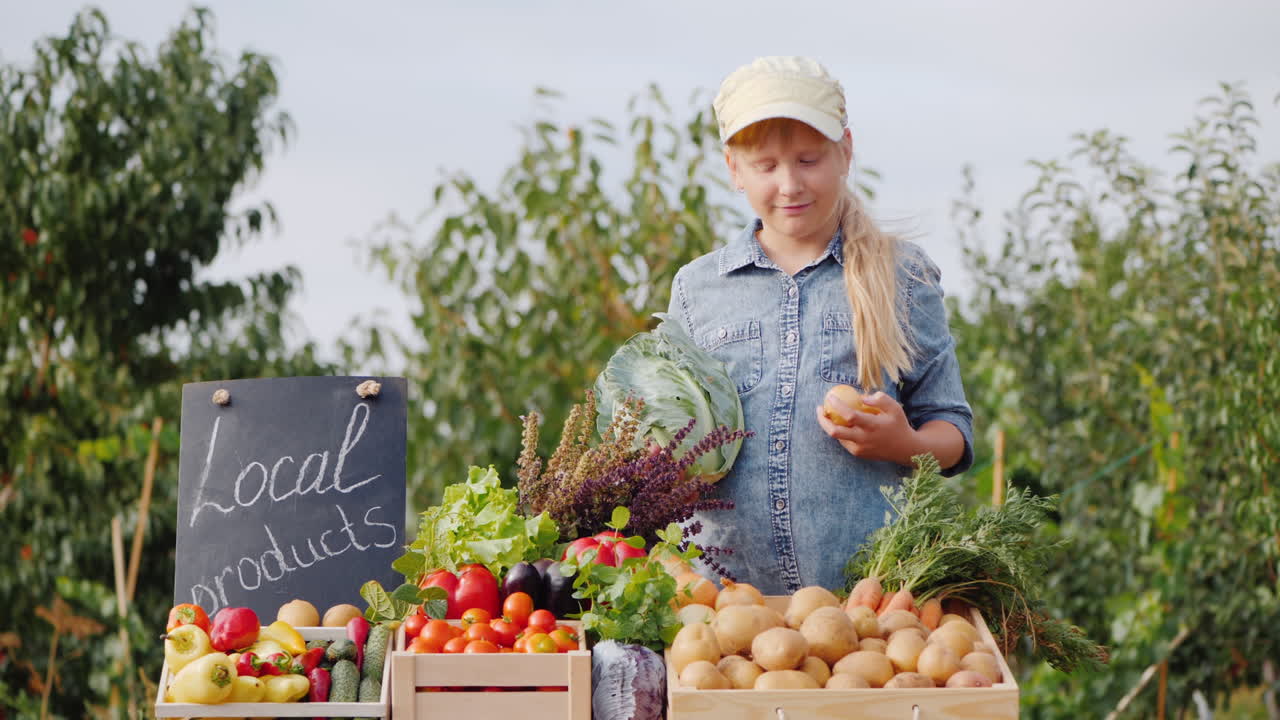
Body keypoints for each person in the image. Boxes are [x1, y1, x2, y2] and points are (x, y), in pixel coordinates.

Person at [665, 56, 974, 595]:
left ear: (846, 152)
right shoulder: (697, 290)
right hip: (724, 609)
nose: (789, 184)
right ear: (734, 170)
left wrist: (903, 443)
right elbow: (668, 431)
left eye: (809, 160)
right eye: (765, 166)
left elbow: (953, 432)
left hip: (867, 604)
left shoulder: (903, 276)